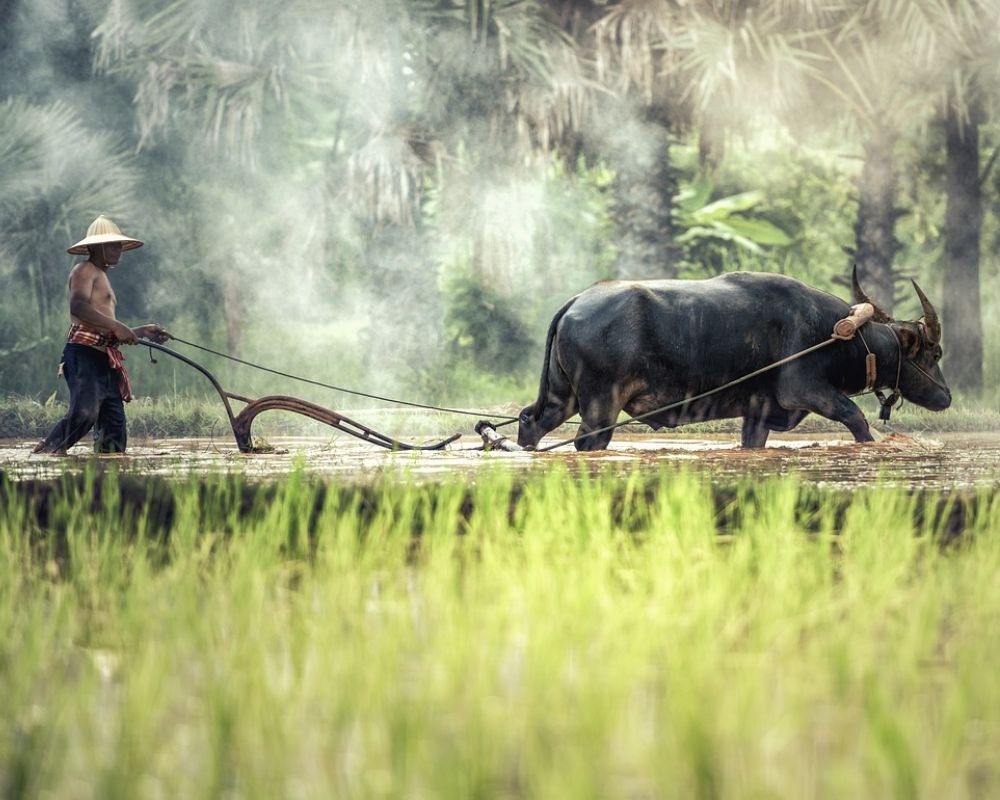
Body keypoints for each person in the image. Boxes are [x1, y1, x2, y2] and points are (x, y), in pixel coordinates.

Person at [33, 215, 170, 455]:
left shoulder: (103, 277)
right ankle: (45, 455)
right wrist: (118, 326)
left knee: (114, 428)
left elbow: (106, 329)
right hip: (83, 356)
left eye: (119, 245)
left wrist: (142, 331)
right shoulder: (84, 269)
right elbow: (78, 307)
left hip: (103, 359)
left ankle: (106, 475)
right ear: (96, 247)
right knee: (85, 413)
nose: (118, 250)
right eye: (112, 245)